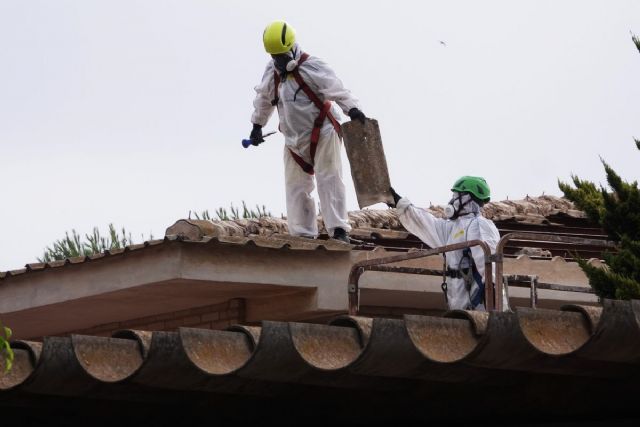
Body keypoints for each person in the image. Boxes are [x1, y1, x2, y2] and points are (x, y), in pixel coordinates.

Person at [249, 20, 366, 244]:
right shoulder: (272, 72)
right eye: (275, 57)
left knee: (329, 179)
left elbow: (336, 89)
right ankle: (303, 234)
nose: (279, 61)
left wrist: (352, 109)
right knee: (296, 187)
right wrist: (257, 125)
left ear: (291, 48)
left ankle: (339, 230)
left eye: (282, 56)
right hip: (293, 139)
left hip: (323, 132)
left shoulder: (312, 66)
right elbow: (264, 98)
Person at [388, 176, 502, 311]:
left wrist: (493, 294)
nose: (453, 200)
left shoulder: (480, 224)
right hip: (459, 305)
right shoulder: (453, 227)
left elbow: (489, 261)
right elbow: (426, 223)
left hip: (480, 306)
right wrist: (399, 203)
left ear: (468, 198)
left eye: (456, 196)